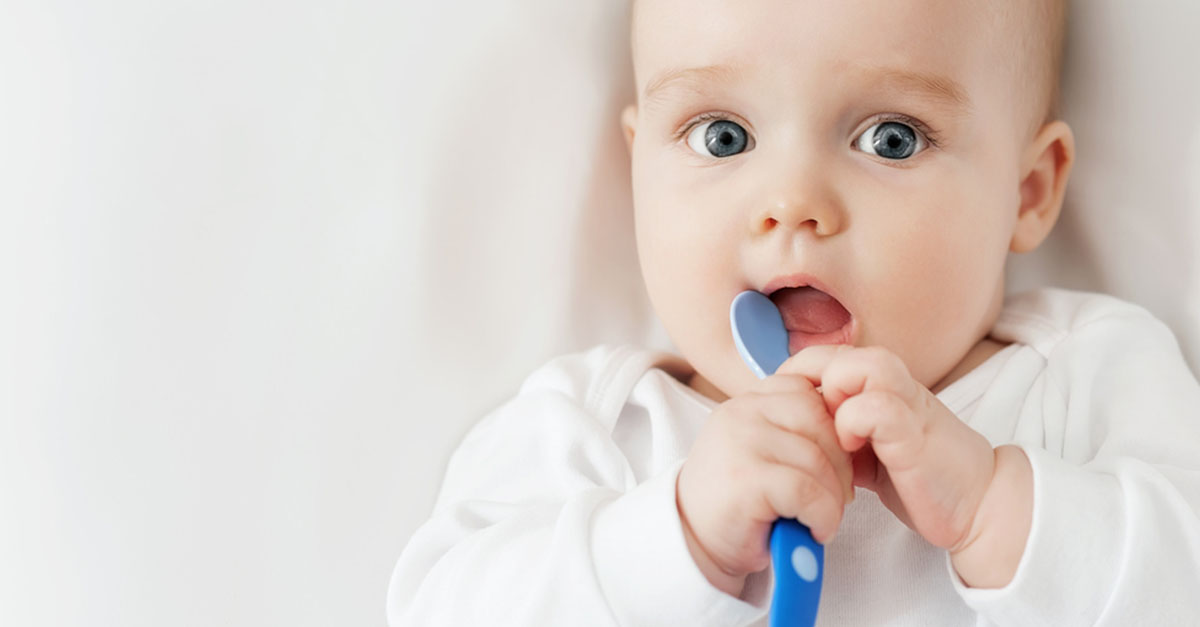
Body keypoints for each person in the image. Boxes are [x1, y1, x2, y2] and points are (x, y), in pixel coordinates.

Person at [388, 0, 1200, 624]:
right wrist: (676, 537)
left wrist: (996, 509)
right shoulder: (596, 428)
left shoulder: (1085, 377)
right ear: (638, 172)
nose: (792, 201)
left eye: (890, 138)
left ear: (1027, 191)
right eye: (722, 136)